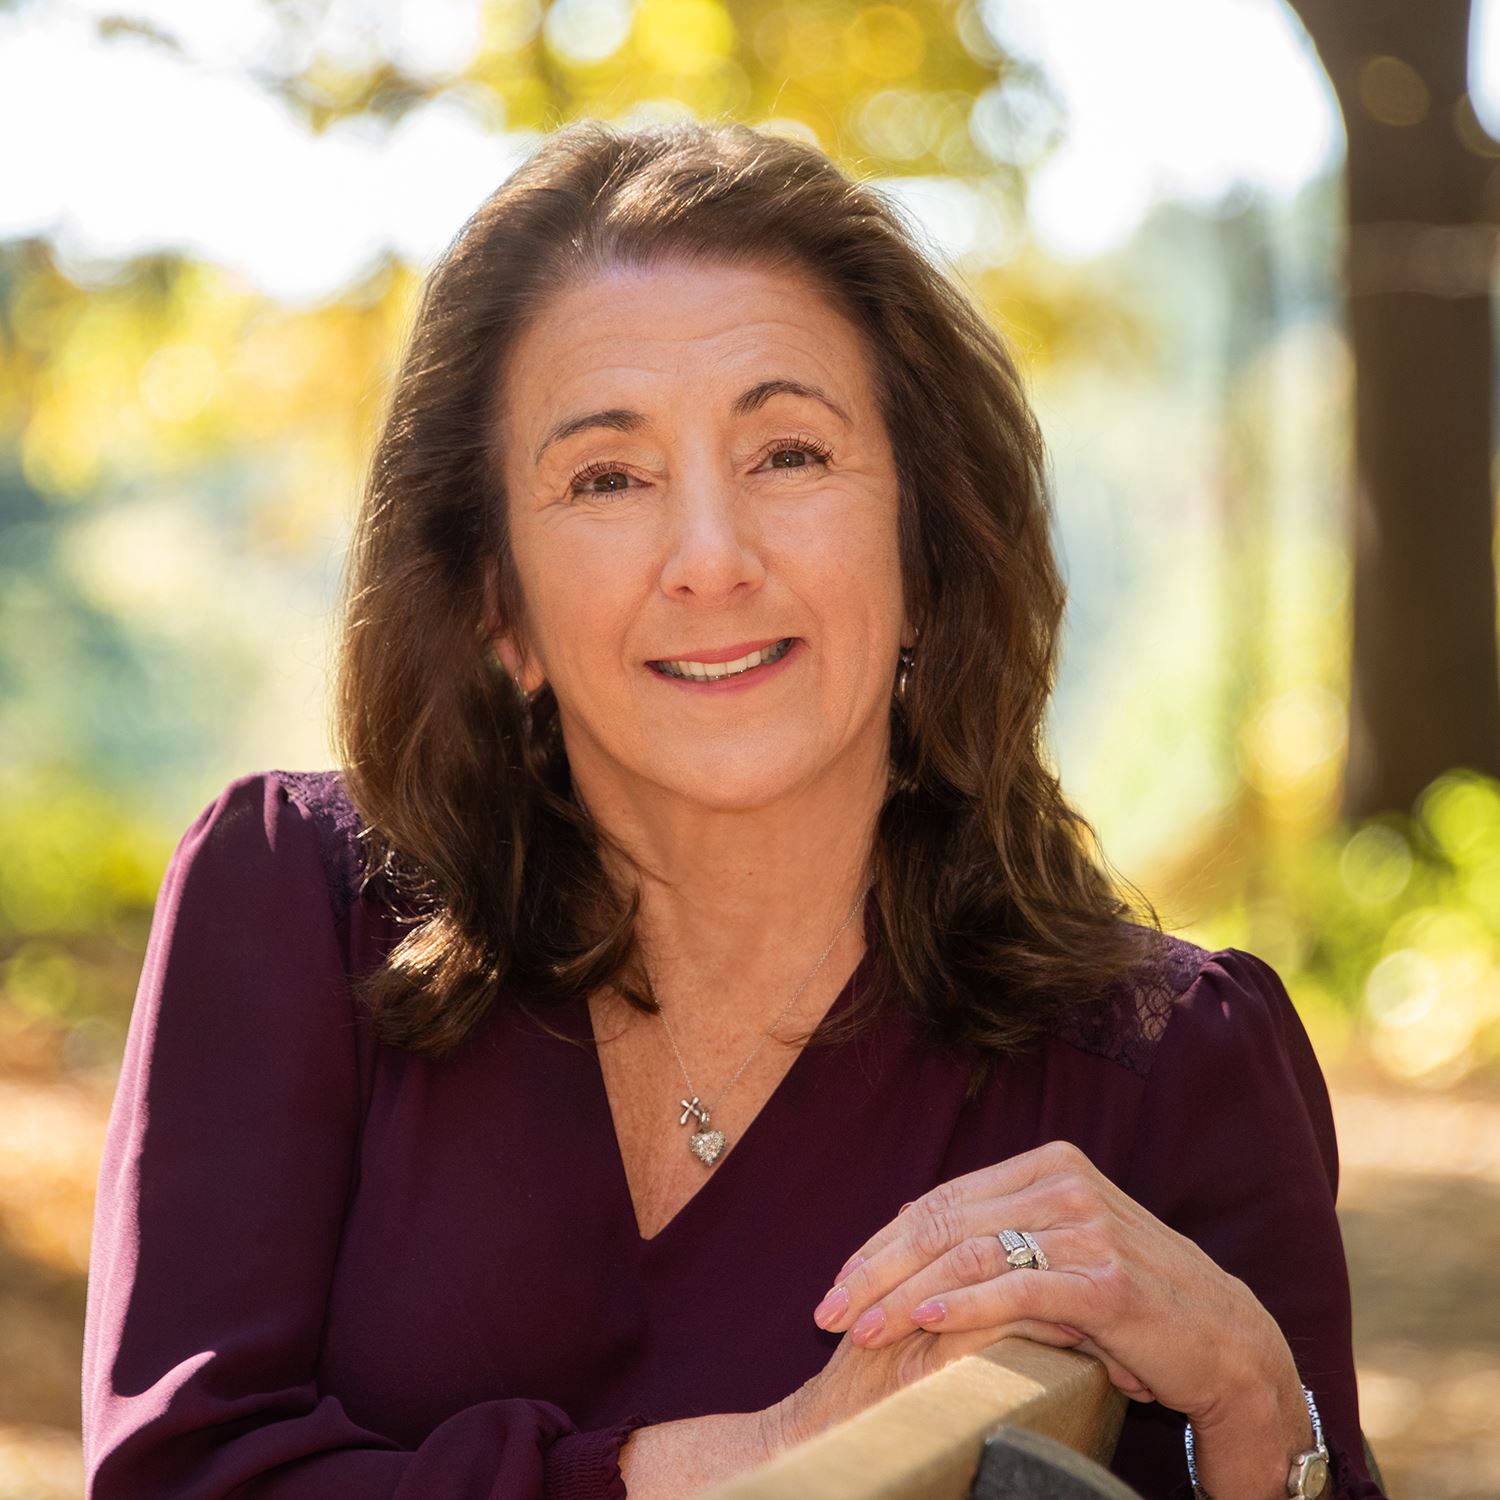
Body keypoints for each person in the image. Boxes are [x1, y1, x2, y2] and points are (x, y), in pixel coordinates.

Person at [81, 117, 1387, 1500]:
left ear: (928, 552)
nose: (710, 559)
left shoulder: (1171, 1068)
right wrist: (765, 1462)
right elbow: (177, 1478)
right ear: (494, 602)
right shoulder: (290, 908)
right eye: (606, 478)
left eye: (789, 455)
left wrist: (1254, 1399)